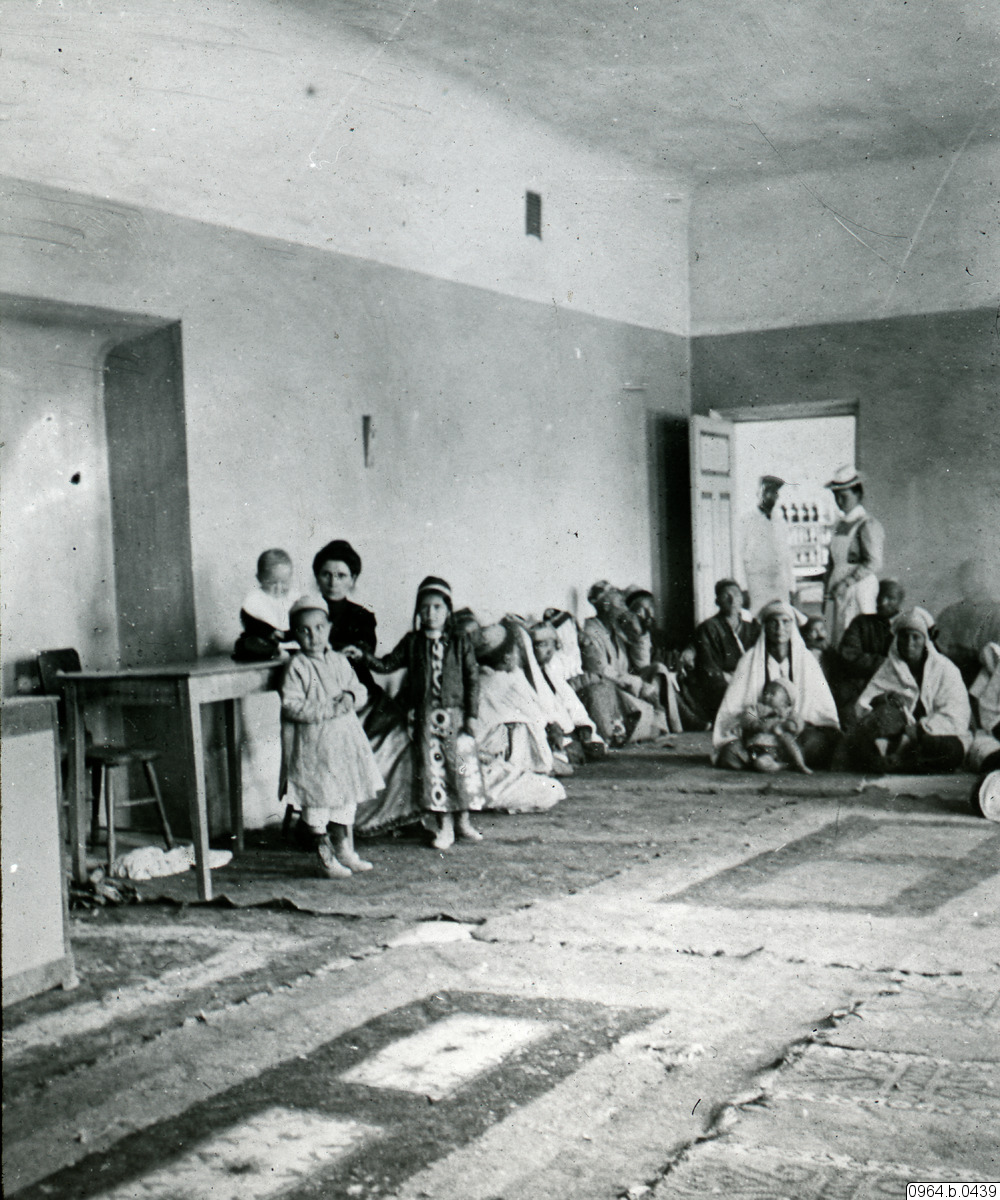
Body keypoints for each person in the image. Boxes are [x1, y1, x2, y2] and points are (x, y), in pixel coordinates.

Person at [348, 576, 486, 850]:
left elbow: (472, 679)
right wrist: (363, 656)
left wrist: (471, 715)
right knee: (436, 771)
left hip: (456, 718)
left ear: (448, 610)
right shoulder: (412, 642)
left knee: (460, 767)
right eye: (424, 608)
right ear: (418, 612)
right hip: (426, 720)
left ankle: (463, 821)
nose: (430, 613)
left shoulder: (460, 641)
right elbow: (387, 665)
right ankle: (444, 826)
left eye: (437, 607)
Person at [310, 538, 418, 839]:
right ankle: (343, 822)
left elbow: (363, 652)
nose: (333, 582)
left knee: (399, 735)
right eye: (326, 574)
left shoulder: (362, 617)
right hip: (324, 699)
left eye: (341, 575)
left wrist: (352, 652)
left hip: (362, 695)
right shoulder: (304, 613)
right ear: (317, 577)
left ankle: (392, 814)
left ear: (353, 579)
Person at [280, 596, 383, 878]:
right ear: (295, 634)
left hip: (343, 742)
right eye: (304, 630)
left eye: (319, 628)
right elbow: (291, 705)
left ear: (329, 628)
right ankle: (324, 858)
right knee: (318, 800)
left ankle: (344, 849)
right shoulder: (297, 666)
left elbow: (359, 689)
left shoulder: (339, 660)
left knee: (344, 797)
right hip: (315, 745)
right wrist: (327, 709)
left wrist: (350, 696)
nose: (313, 636)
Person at [714, 599, 841, 771]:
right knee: (729, 753)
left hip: (795, 735)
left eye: (785, 622)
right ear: (765, 627)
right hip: (758, 735)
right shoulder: (750, 659)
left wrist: (792, 724)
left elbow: (820, 709)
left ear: (792, 626)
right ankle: (777, 759)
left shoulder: (806, 659)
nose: (779, 628)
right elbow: (736, 708)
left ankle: (772, 761)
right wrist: (756, 723)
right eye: (773, 622)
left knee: (819, 744)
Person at [840, 609, 971, 774]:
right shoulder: (888, 669)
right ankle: (897, 760)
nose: (909, 643)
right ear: (897, 640)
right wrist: (883, 699)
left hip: (930, 736)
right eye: (904, 637)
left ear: (925, 641)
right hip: (893, 736)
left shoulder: (945, 669)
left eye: (916, 637)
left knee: (952, 750)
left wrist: (920, 730)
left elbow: (955, 713)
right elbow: (864, 705)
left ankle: (896, 761)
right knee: (865, 740)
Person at [578, 581, 670, 742]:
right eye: (620, 603)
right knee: (650, 723)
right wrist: (639, 684)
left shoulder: (617, 628)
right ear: (606, 606)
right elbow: (601, 671)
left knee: (658, 669)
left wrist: (639, 633)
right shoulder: (590, 632)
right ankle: (650, 727)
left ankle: (666, 725)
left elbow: (642, 664)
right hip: (611, 687)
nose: (625, 609)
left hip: (626, 684)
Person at [682, 579, 760, 726]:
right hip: (723, 685)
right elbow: (709, 667)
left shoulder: (752, 628)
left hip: (750, 681)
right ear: (717, 601)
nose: (732, 600)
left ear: (742, 599)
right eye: (726, 595)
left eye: (736, 594)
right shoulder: (708, 628)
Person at [822, 466, 885, 648]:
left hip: (859, 588)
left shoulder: (867, 524)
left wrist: (847, 582)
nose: (839, 501)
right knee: (836, 636)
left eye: (844, 496)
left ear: (858, 494)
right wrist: (827, 591)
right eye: (836, 496)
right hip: (837, 587)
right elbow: (832, 562)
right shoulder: (839, 524)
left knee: (855, 635)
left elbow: (874, 562)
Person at [528, 621, 607, 761]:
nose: (549, 650)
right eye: (543, 645)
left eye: (551, 644)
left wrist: (585, 727)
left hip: (570, 731)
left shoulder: (551, 672)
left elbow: (572, 704)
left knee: (596, 748)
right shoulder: (528, 677)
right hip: (554, 733)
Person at [831, 579, 905, 719]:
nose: (883, 602)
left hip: (893, 687)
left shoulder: (905, 627)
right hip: (859, 686)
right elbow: (848, 655)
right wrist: (887, 664)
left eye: (890, 598)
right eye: (880, 597)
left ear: (900, 602)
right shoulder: (861, 623)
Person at [934, 560, 1000, 686]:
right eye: (964, 577)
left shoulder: (997, 613)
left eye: (973, 577)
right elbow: (938, 647)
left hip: (988, 680)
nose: (965, 582)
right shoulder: (950, 613)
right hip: (951, 678)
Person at [741, 474, 795, 613]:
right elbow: (740, 555)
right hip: (757, 584)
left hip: (779, 583)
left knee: (780, 617)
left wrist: (791, 587)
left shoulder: (780, 522)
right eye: (767, 491)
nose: (771, 496)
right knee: (758, 617)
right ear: (758, 492)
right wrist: (743, 589)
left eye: (774, 492)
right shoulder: (747, 520)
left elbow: (787, 557)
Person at [737, 680, 813, 775]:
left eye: (772, 694)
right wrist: (755, 724)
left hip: (782, 747)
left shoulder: (788, 712)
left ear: (786, 701)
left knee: (787, 738)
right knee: (760, 763)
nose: (767, 696)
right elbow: (747, 716)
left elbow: (798, 721)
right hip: (761, 748)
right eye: (766, 693)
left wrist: (791, 725)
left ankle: (800, 763)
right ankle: (782, 766)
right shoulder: (758, 708)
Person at [234, 548, 294, 661]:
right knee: (246, 643)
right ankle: (274, 652)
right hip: (264, 638)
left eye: (284, 582)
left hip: (287, 639)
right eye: (272, 583)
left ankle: (285, 651)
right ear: (259, 578)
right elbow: (250, 623)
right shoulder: (256, 598)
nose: (279, 587)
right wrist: (269, 631)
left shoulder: (292, 598)